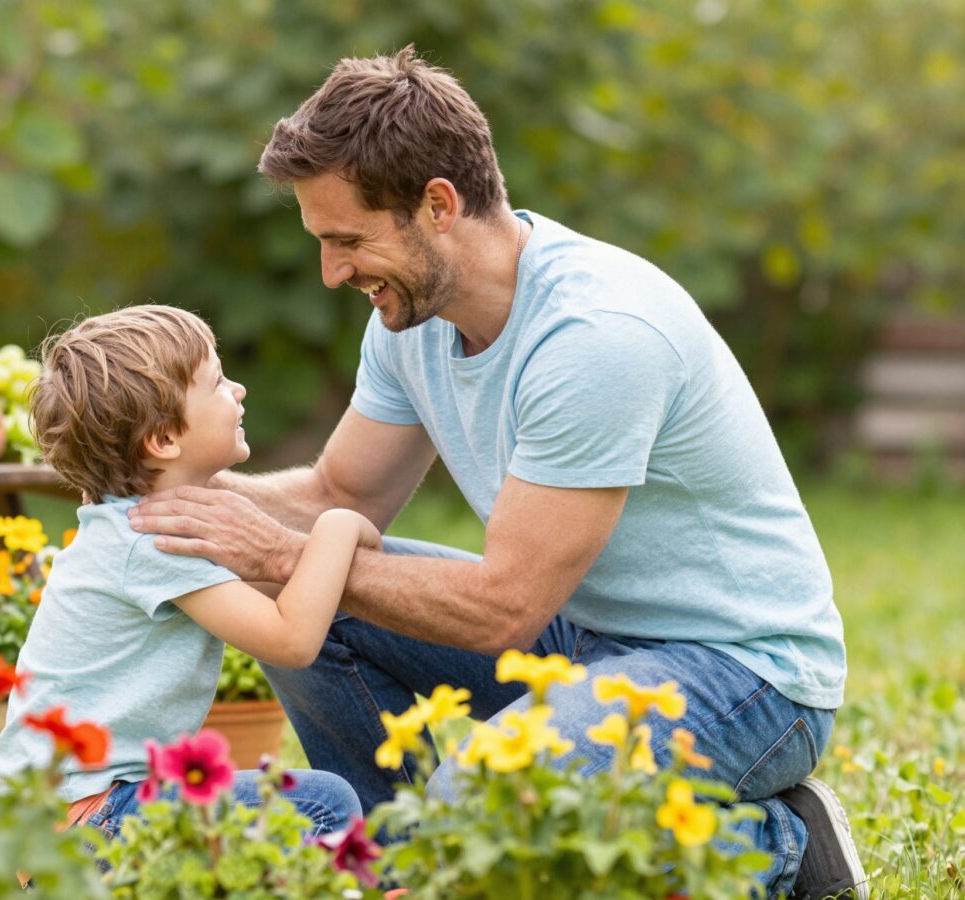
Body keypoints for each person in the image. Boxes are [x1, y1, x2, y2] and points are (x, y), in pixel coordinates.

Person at [127, 47, 868, 899]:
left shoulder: (595, 335)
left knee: (482, 807)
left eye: (348, 241)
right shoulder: (410, 319)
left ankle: (781, 846)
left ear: (438, 206)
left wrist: (282, 554)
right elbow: (341, 495)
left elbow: (505, 605)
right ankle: (391, 871)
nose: (333, 273)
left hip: (741, 671)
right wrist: (156, 487)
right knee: (307, 601)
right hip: (581, 635)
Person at [0, 305, 376, 848]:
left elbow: (275, 601)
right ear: (165, 439)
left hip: (58, 821)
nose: (238, 390)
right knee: (322, 804)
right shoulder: (153, 540)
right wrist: (339, 525)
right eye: (217, 382)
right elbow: (292, 639)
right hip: (95, 821)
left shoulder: (128, 524)